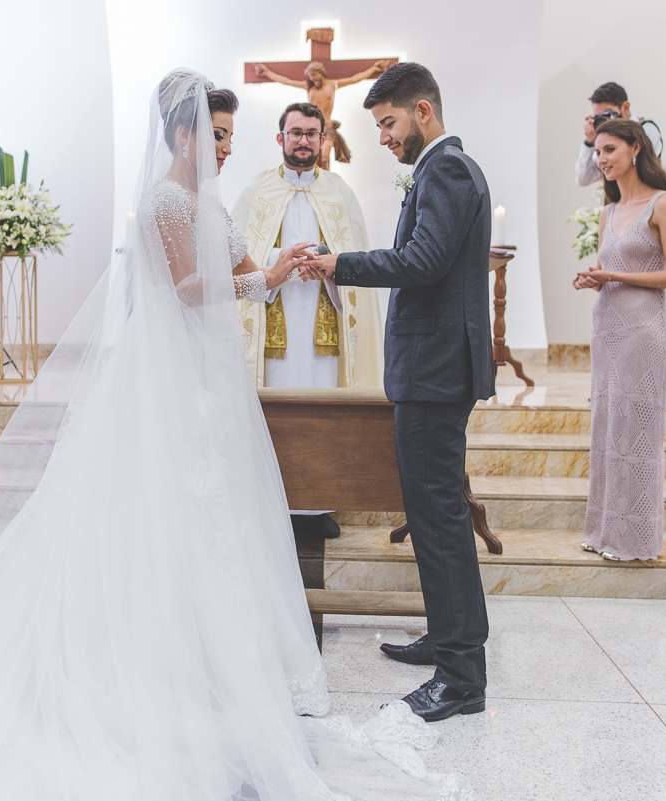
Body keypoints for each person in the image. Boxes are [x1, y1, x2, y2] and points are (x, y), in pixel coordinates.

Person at [0, 71, 471, 801]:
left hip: (213, 376)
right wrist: (265, 281)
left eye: (232, 135)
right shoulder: (166, 200)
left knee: (216, 515)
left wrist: (285, 265)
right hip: (166, 375)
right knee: (158, 507)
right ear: (181, 132)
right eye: (217, 133)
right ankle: (146, 661)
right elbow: (187, 289)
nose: (227, 148)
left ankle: (214, 663)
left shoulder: (212, 201)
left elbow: (240, 262)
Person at [302, 62, 494, 722]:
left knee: (439, 521)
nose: (383, 136)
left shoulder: (445, 169)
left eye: (387, 123)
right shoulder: (451, 170)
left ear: (423, 110)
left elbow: (422, 263)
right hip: (437, 368)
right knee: (435, 514)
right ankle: (447, 640)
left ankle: (462, 674)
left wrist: (338, 264)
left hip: (436, 373)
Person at [232, 101, 383, 539]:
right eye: (295, 132)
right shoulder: (255, 194)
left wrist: (332, 271)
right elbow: (239, 267)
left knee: (322, 412)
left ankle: (318, 506)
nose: (303, 140)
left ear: (323, 140)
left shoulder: (340, 192)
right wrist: (276, 273)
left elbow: (357, 269)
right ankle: (272, 503)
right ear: (280, 138)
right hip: (271, 326)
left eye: (311, 134)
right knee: (276, 413)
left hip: (325, 322)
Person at [573, 118, 666, 561]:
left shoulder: (662, 204)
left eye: (609, 150)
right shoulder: (606, 211)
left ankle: (634, 538)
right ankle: (603, 531)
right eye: (597, 152)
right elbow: (612, 274)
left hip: (644, 333)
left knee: (636, 433)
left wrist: (613, 275)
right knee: (607, 430)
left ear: (634, 148)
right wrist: (595, 281)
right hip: (607, 331)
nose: (601, 160)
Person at [253, 59, 391, 169]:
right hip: (313, 129)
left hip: (328, 127)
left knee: (324, 157)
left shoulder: (332, 84)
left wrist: (374, 69)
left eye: (314, 75)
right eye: (310, 77)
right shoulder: (309, 87)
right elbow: (286, 81)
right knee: (314, 160)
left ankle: (326, 185)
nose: (313, 79)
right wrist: (266, 72)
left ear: (321, 72)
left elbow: (355, 78)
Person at [576, 82, 663, 187]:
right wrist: (589, 142)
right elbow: (583, 179)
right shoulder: (603, 141)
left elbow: (640, 166)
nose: (605, 121)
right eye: (598, 117)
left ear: (625, 107)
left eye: (607, 114)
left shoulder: (647, 128)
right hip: (618, 201)